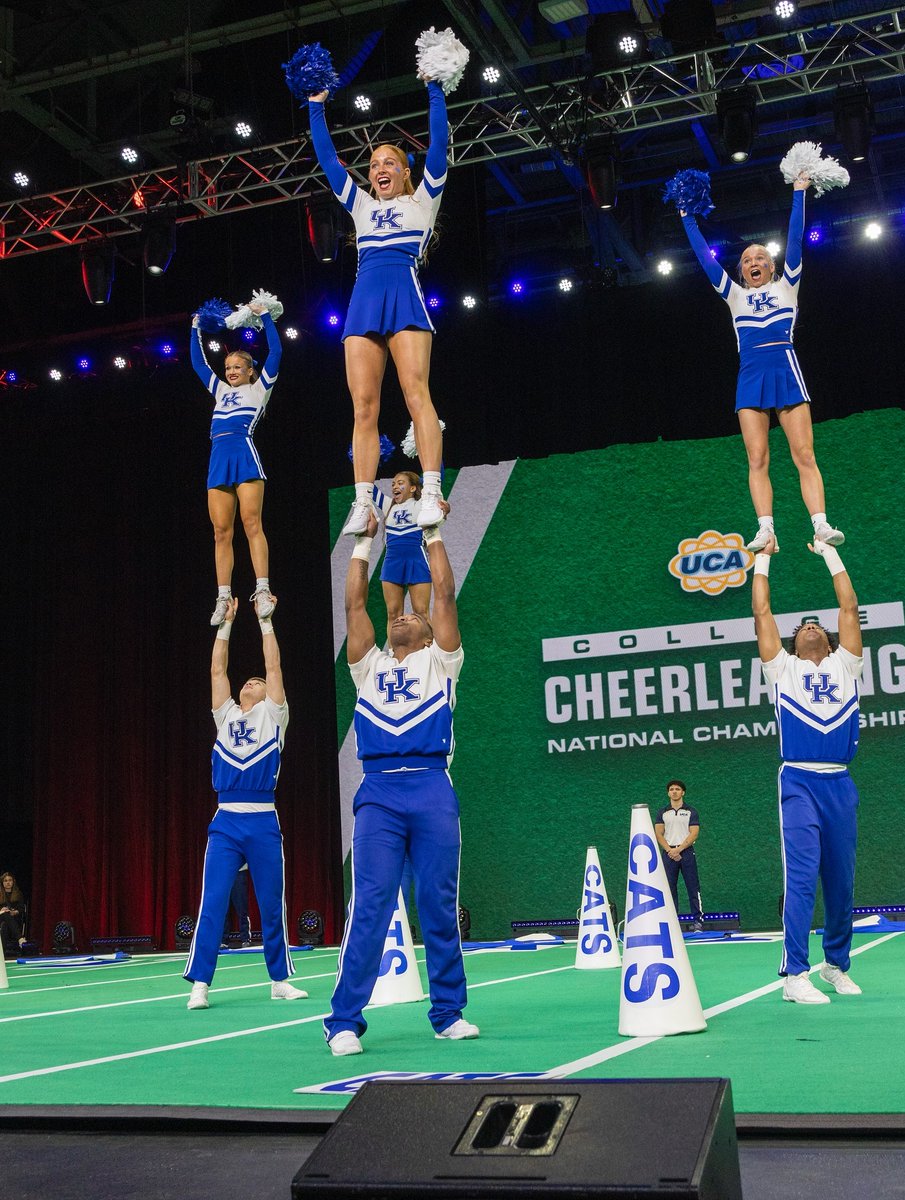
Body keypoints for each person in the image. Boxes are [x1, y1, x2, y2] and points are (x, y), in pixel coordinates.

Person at [324, 512, 477, 1055]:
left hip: (432, 786)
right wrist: (362, 545)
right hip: (380, 793)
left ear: (431, 633)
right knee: (370, 904)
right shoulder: (367, 666)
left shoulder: (442, 661)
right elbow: (353, 606)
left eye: (415, 614)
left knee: (437, 902)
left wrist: (432, 532)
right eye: (400, 614)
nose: (403, 616)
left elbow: (443, 592)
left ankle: (448, 1013)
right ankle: (344, 1020)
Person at [308, 78, 448, 537]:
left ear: (406, 172)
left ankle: (432, 490)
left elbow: (439, 145)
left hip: (404, 297)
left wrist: (435, 90)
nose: (379, 168)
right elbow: (328, 161)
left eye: (389, 162)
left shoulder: (424, 200)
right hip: (364, 304)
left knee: (416, 394)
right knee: (364, 408)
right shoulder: (361, 206)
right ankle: (364, 501)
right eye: (373, 164)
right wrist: (316, 107)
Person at [680, 172, 845, 553]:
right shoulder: (734, 295)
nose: (753, 262)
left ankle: (820, 525)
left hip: (785, 369)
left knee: (804, 454)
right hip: (751, 375)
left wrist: (799, 192)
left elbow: (794, 240)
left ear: (771, 266)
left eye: (760, 258)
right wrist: (687, 218)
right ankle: (766, 530)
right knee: (757, 458)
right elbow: (705, 258)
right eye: (746, 260)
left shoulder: (788, 286)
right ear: (741, 271)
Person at [751, 533, 864, 1004]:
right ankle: (794, 975)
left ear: (831, 641)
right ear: (794, 644)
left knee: (841, 883)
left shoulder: (847, 664)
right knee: (800, 879)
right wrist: (762, 559)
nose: (812, 626)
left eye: (818, 624)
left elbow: (849, 606)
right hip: (797, 779)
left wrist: (829, 550)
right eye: (803, 626)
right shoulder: (781, 668)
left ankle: (835, 965)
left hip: (839, 781)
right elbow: (762, 612)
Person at [183, 596, 307, 1009]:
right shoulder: (226, 715)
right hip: (226, 821)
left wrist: (265, 621)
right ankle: (201, 982)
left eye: (258, 681)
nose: (252, 681)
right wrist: (226, 625)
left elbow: (274, 667)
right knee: (213, 900)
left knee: (271, 903)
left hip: (263, 820)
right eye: (248, 681)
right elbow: (217, 670)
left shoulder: (274, 715)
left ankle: (279, 979)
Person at [191, 301, 282, 625]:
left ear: (249, 370)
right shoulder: (219, 390)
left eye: (237, 367)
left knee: (251, 523)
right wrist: (195, 327)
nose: (230, 371)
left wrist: (264, 316)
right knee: (221, 532)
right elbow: (199, 364)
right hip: (218, 459)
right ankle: (223, 596)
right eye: (228, 367)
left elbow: (276, 352)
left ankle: (262, 589)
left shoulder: (259, 389)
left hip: (244, 456)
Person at [374, 470, 450, 645]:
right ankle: (394, 653)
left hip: (416, 561)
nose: (395, 486)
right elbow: (369, 489)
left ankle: (428, 652)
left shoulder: (422, 504)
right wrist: (361, 460)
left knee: (421, 613)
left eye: (400, 483)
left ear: (413, 488)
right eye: (393, 483)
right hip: (392, 563)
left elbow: (437, 476)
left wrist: (446, 508)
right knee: (393, 613)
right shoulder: (388, 505)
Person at [654, 781, 704, 932]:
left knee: (693, 887)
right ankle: (672, 923)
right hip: (668, 853)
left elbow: (694, 833)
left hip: (686, 852)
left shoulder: (691, 811)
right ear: (668, 793)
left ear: (683, 792)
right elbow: (658, 833)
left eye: (677, 789)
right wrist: (670, 850)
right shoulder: (662, 812)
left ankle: (698, 921)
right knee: (669, 888)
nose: (674, 791)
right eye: (671, 789)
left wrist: (679, 849)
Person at [0, 870, 27, 957]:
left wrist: (14, 912)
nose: (8, 882)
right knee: (5, 914)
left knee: (5, 925)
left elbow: (21, 909)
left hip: (14, 920)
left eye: (10, 880)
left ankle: (2, 954)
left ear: (13, 882)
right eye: (5, 881)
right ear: (2, 883)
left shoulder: (18, 894)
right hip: (1, 917)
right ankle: (20, 938)